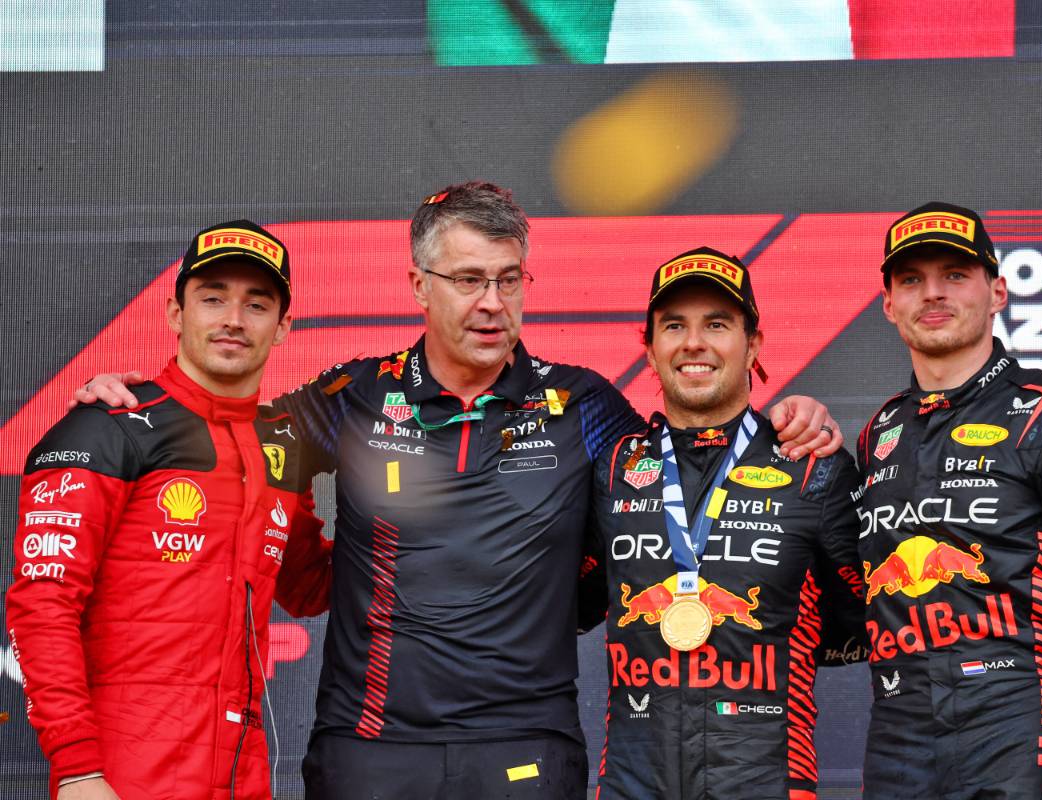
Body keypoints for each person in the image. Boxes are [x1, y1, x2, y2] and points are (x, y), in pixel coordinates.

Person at [74, 182, 844, 800]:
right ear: (419, 284)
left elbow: (681, 466)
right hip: (370, 751)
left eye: (509, 280)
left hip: (525, 752)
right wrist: (145, 405)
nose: (492, 303)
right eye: (470, 280)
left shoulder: (583, 404)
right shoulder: (357, 393)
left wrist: (787, 422)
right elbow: (236, 443)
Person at [6, 221, 332, 800]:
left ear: (284, 326)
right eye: (212, 299)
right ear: (175, 313)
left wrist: (421, 524)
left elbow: (307, 588)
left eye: (256, 304)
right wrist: (78, 768)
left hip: (241, 775)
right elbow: (42, 606)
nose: (233, 318)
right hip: (123, 777)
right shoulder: (106, 425)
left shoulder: (282, 444)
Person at [855, 202, 1042, 799]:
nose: (933, 294)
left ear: (997, 292)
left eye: (955, 275)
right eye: (912, 280)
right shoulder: (877, 432)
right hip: (897, 739)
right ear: (889, 305)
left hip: (1020, 733)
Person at [581, 247, 867, 799]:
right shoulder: (612, 469)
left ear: (753, 343)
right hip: (631, 784)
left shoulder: (813, 466)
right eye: (673, 326)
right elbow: (574, 606)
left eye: (717, 324)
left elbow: (869, 619)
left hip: (769, 782)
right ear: (649, 348)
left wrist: (776, 648)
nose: (694, 343)